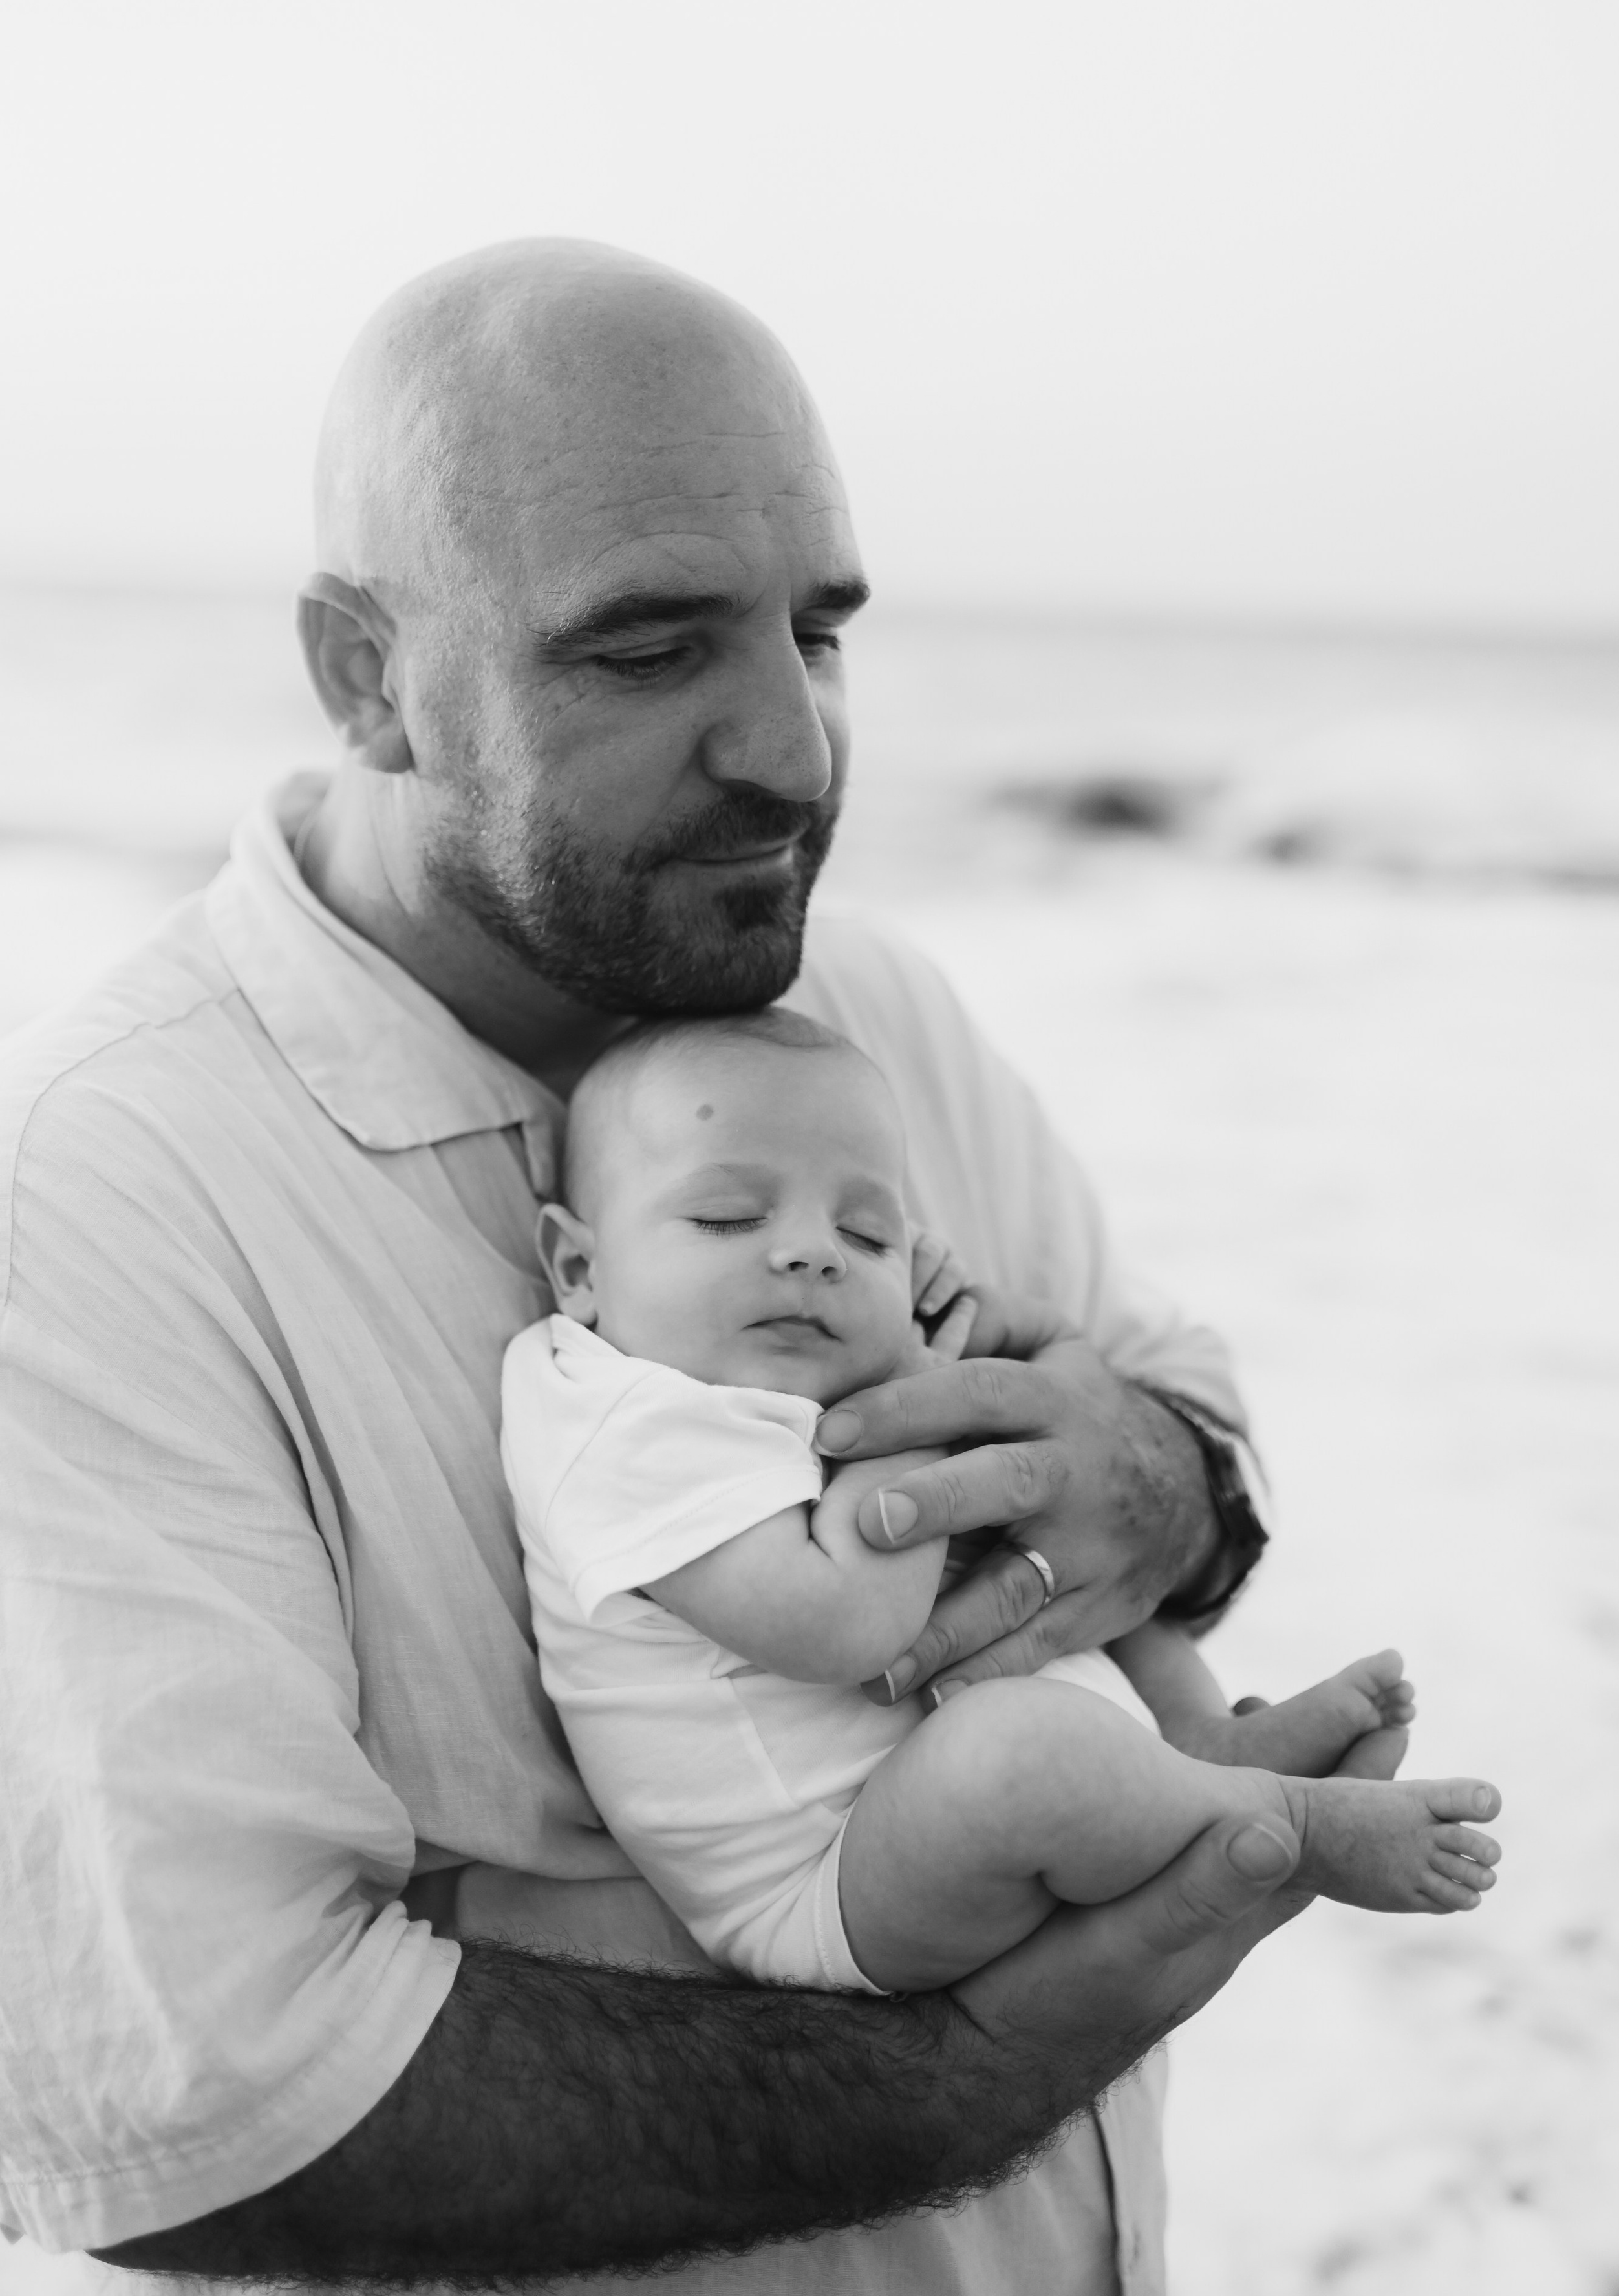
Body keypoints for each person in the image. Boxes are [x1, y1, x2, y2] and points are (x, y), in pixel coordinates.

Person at [2, 238, 1305, 2295]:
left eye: (821, 629)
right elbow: (198, 2115)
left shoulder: (857, 1008)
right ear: (370, 677)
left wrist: (1139, 1485)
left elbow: (1194, 1440)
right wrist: (986, 2068)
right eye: (648, 648)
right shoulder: (99, 1205)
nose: (790, 749)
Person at [503, 1007, 1498, 1998]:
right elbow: (849, 1627)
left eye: (868, 1233)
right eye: (727, 1217)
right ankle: (1288, 1817)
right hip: (828, 1881)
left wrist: (969, 1369)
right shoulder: (617, 1418)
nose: (816, 1254)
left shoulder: (755, 1367)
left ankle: (1195, 1738)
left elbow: (1119, 1434)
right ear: (581, 1270)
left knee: (1064, 1534)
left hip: (940, 1790)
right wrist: (915, 1394)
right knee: (1008, 1752)